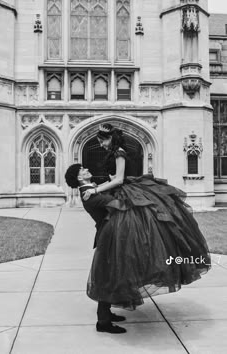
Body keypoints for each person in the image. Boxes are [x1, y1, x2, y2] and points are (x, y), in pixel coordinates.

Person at [81, 123, 211, 311]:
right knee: (126, 237)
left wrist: (95, 189)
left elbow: (118, 179)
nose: (101, 144)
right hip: (123, 191)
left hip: (127, 191)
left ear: (111, 138)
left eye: (103, 140)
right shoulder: (114, 152)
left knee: (139, 233)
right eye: (99, 141)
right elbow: (114, 180)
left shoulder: (119, 152)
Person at [65, 164, 127, 334]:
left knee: (111, 274)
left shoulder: (91, 189)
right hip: (108, 236)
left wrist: (111, 183)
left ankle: (106, 313)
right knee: (107, 276)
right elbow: (117, 204)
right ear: (79, 178)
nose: (86, 170)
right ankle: (103, 322)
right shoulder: (88, 195)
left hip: (111, 232)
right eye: (82, 170)